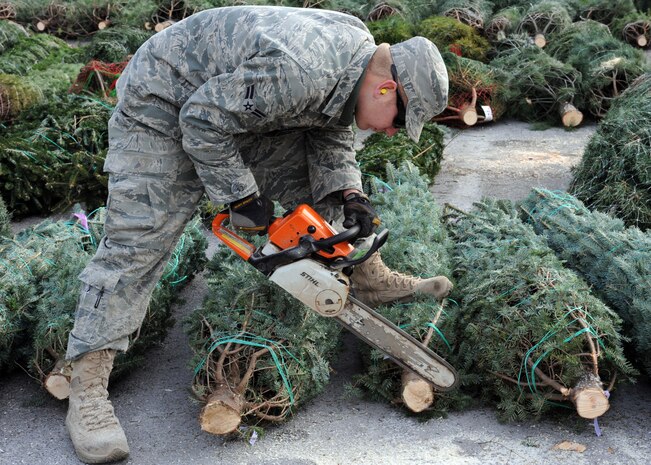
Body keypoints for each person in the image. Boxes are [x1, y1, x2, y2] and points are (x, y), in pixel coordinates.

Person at [64, 5, 451, 464]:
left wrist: (350, 192)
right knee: (137, 244)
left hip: (226, 107)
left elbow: (327, 128)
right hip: (164, 106)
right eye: (396, 119)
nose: (389, 130)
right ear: (387, 87)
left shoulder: (355, 58)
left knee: (320, 187)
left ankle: (366, 274)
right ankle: (86, 387)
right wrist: (242, 198)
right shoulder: (304, 69)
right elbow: (201, 121)